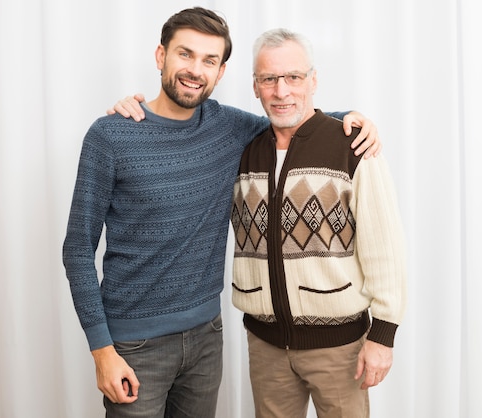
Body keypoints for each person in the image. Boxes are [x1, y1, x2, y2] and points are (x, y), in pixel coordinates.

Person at [63, 7, 381, 418]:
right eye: (185, 54)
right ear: (161, 56)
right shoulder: (111, 136)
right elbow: (76, 250)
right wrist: (102, 350)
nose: (195, 70)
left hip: (206, 339)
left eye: (209, 61)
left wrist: (351, 120)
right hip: (134, 346)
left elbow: (288, 116)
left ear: (222, 71)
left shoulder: (230, 129)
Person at [229, 28, 407, 418]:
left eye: (293, 77)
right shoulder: (241, 153)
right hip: (266, 346)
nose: (282, 91)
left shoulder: (353, 147)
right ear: (255, 86)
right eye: (269, 79)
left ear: (313, 80)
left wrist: (383, 335)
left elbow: (385, 247)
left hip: (340, 348)